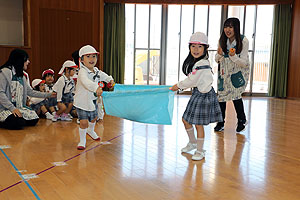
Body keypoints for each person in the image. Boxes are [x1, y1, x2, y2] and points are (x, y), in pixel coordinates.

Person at [170, 32, 223, 161]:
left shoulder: (202, 64)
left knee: (199, 125)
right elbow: (193, 80)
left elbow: (191, 81)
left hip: (204, 96)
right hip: (198, 94)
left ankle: (200, 150)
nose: (196, 49)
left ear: (205, 48)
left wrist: (177, 86)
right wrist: (180, 87)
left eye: (199, 47)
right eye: (193, 46)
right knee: (186, 120)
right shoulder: (199, 63)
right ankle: (192, 143)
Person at [0, 49, 55, 129]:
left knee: (34, 119)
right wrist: (12, 108)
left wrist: (48, 94)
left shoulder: (21, 76)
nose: (28, 62)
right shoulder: (5, 72)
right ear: (20, 60)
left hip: (18, 107)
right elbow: (1, 93)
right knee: (18, 122)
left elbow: (30, 91)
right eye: (26, 60)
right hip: (5, 108)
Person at [74, 45, 115, 150]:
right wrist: (96, 87)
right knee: (83, 122)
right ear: (82, 60)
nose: (92, 59)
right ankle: (82, 140)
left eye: (94, 56)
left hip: (93, 100)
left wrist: (109, 80)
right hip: (82, 101)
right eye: (88, 56)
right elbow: (86, 82)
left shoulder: (96, 70)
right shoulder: (82, 72)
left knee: (94, 118)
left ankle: (90, 130)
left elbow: (103, 75)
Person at [214, 18, 250, 133]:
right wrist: (219, 55)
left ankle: (242, 120)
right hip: (224, 72)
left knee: (236, 96)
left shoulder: (243, 40)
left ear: (236, 28)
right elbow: (217, 59)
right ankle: (220, 122)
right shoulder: (222, 40)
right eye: (226, 26)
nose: (227, 30)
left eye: (230, 27)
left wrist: (233, 56)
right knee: (221, 97)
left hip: (237, 72)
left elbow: (244, 62)